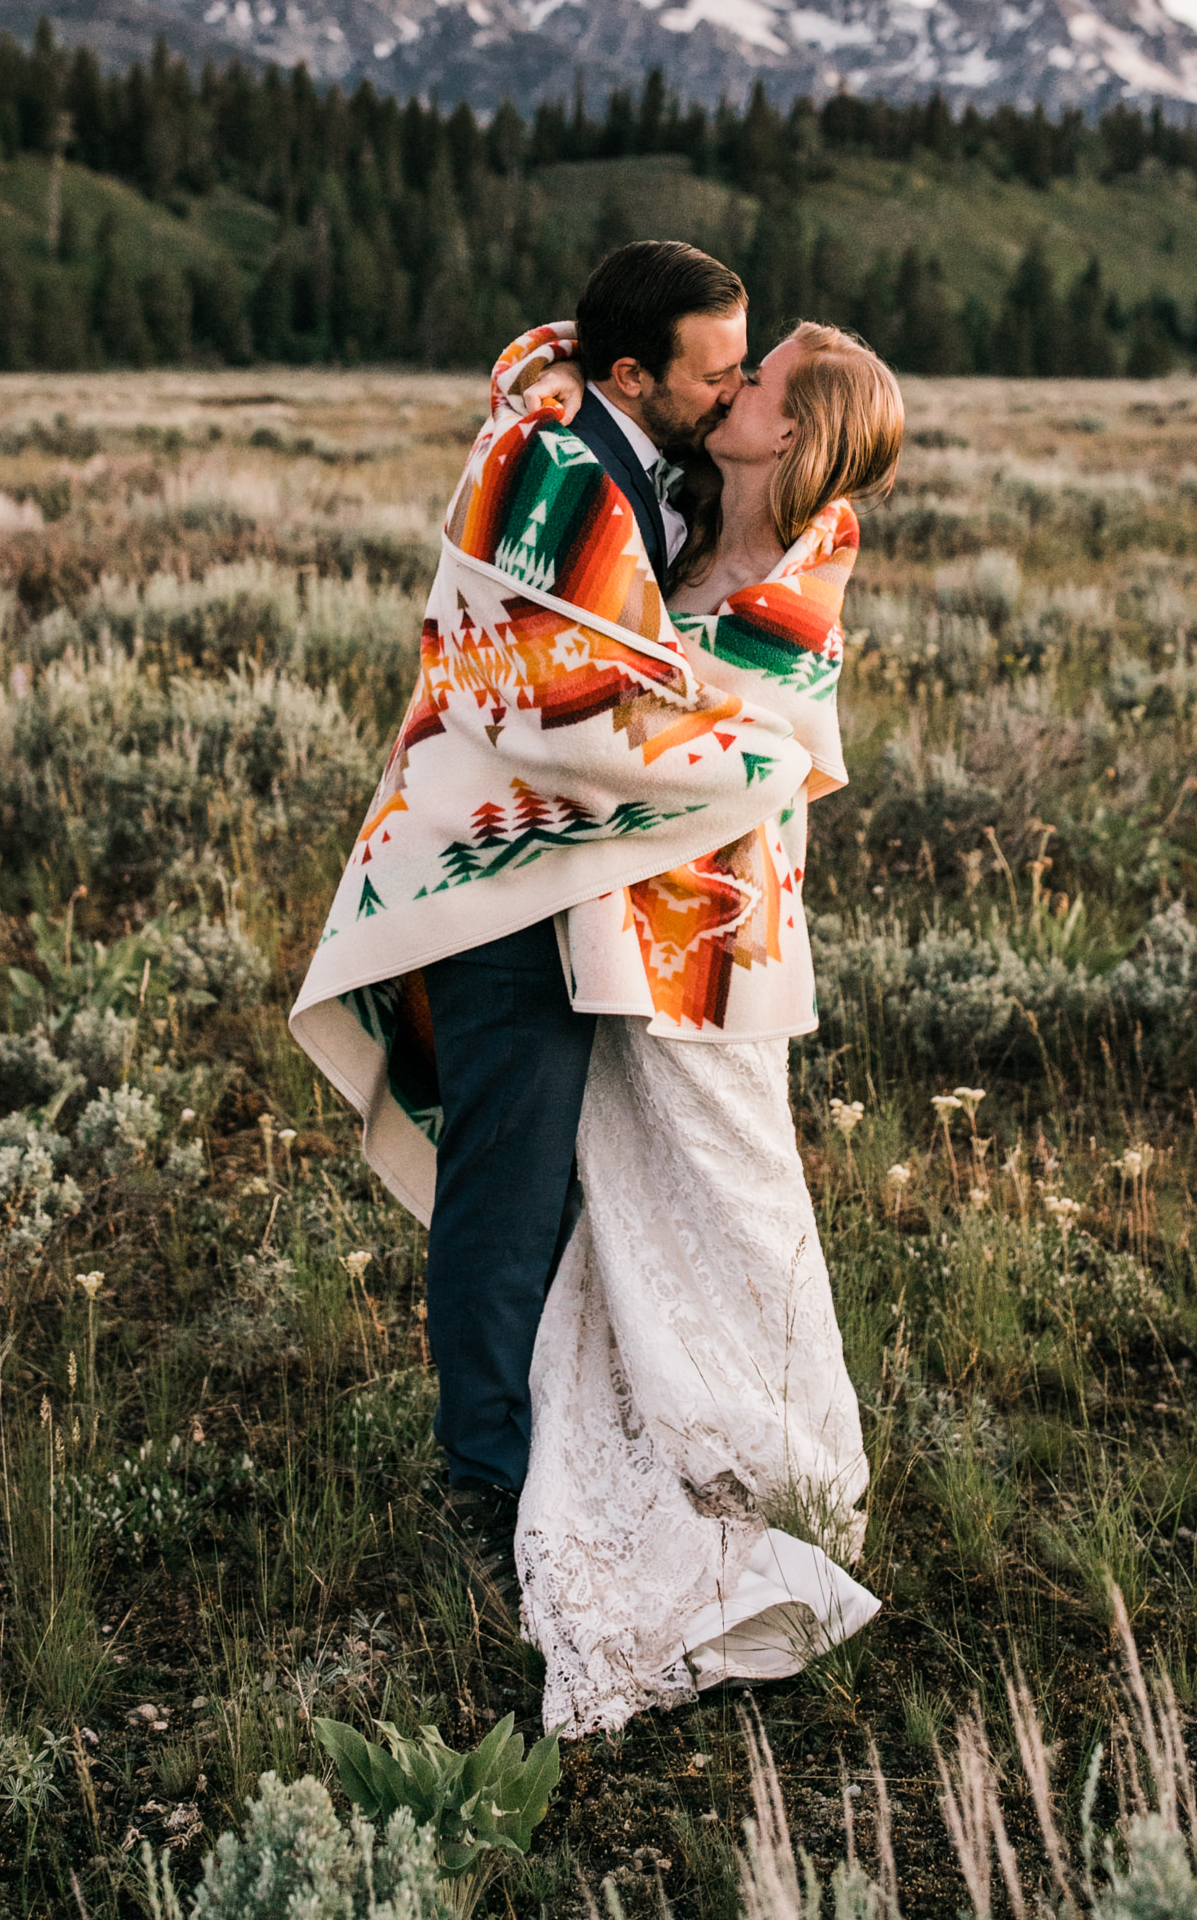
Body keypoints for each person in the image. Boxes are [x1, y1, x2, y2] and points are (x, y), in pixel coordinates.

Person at [289, 243, 812, 1611]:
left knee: (559, 1187)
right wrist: (766, 750)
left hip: (556, 884)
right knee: (509, 1195)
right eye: (716, 372)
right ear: (633, 372)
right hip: (498, 888)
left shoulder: (631, 456)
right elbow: (549, 685)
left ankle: (560, 1438)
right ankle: (487, 1482)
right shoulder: (550, 467)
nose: (737, 386)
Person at [505, 316, 905, 1734]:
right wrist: (580, 338)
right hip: (620, 936)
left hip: (723, 951)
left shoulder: (805, 571)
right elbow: (530, 394)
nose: (727, 390)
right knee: (629, 1198)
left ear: (787, 434)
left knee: (738, 1193)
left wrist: (606, 697)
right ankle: (680, 1434)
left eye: (757, 381)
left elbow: (724, 727)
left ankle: (784, 1472)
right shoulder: (670, 517)